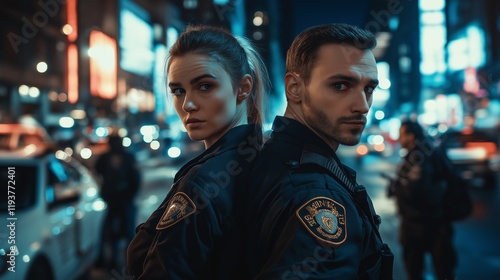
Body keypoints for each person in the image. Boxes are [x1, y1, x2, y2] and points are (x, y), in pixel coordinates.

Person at [245, 23, 393, 279]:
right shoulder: (314, 193)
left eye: (369, 89)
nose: (362, 105)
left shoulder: (274, 153)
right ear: (294, 88)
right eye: (340, 86)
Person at [127, 25, 270, 279]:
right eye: (178, 91)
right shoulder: (266, 160)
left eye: (204, 86)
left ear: (243, 88)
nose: (187, 104)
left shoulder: (202, 184)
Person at [386, 119, 456, 280]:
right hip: (438, 222)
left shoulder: (418, 157)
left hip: (419, 224)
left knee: (416, 271)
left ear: (411, 136)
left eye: (401, 135)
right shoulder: (431, 150)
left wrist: (397, 188)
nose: (399, 139)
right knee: (445, 271)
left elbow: (417, 191)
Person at [94, 133, 141, 270]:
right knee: (111, 232)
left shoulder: (126, 157)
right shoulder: (106, 158)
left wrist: (130, 195)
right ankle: (113, 261)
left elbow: (135, 178)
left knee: (127, 233)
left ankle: (131, 263)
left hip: (124, 200)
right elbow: (99, 173)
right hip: (113, 201)